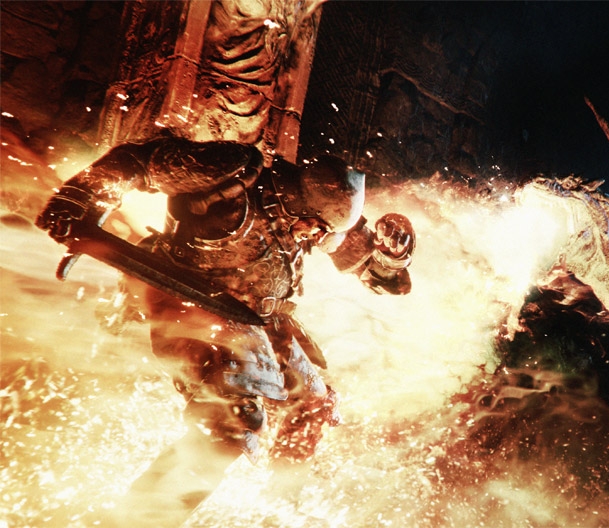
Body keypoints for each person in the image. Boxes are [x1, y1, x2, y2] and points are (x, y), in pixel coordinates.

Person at [35, 136, 415, 525]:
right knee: (234, 422)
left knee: (313, 405)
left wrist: (392, 257)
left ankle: (279, 507)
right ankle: (135, 520)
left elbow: (381, 275)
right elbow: (139, 162)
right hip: (191, 301)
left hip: (260, 318)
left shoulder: (319, 216)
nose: (318, 237)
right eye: (316, 227)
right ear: (303, 203)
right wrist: (78, 197)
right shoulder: (235, 174)